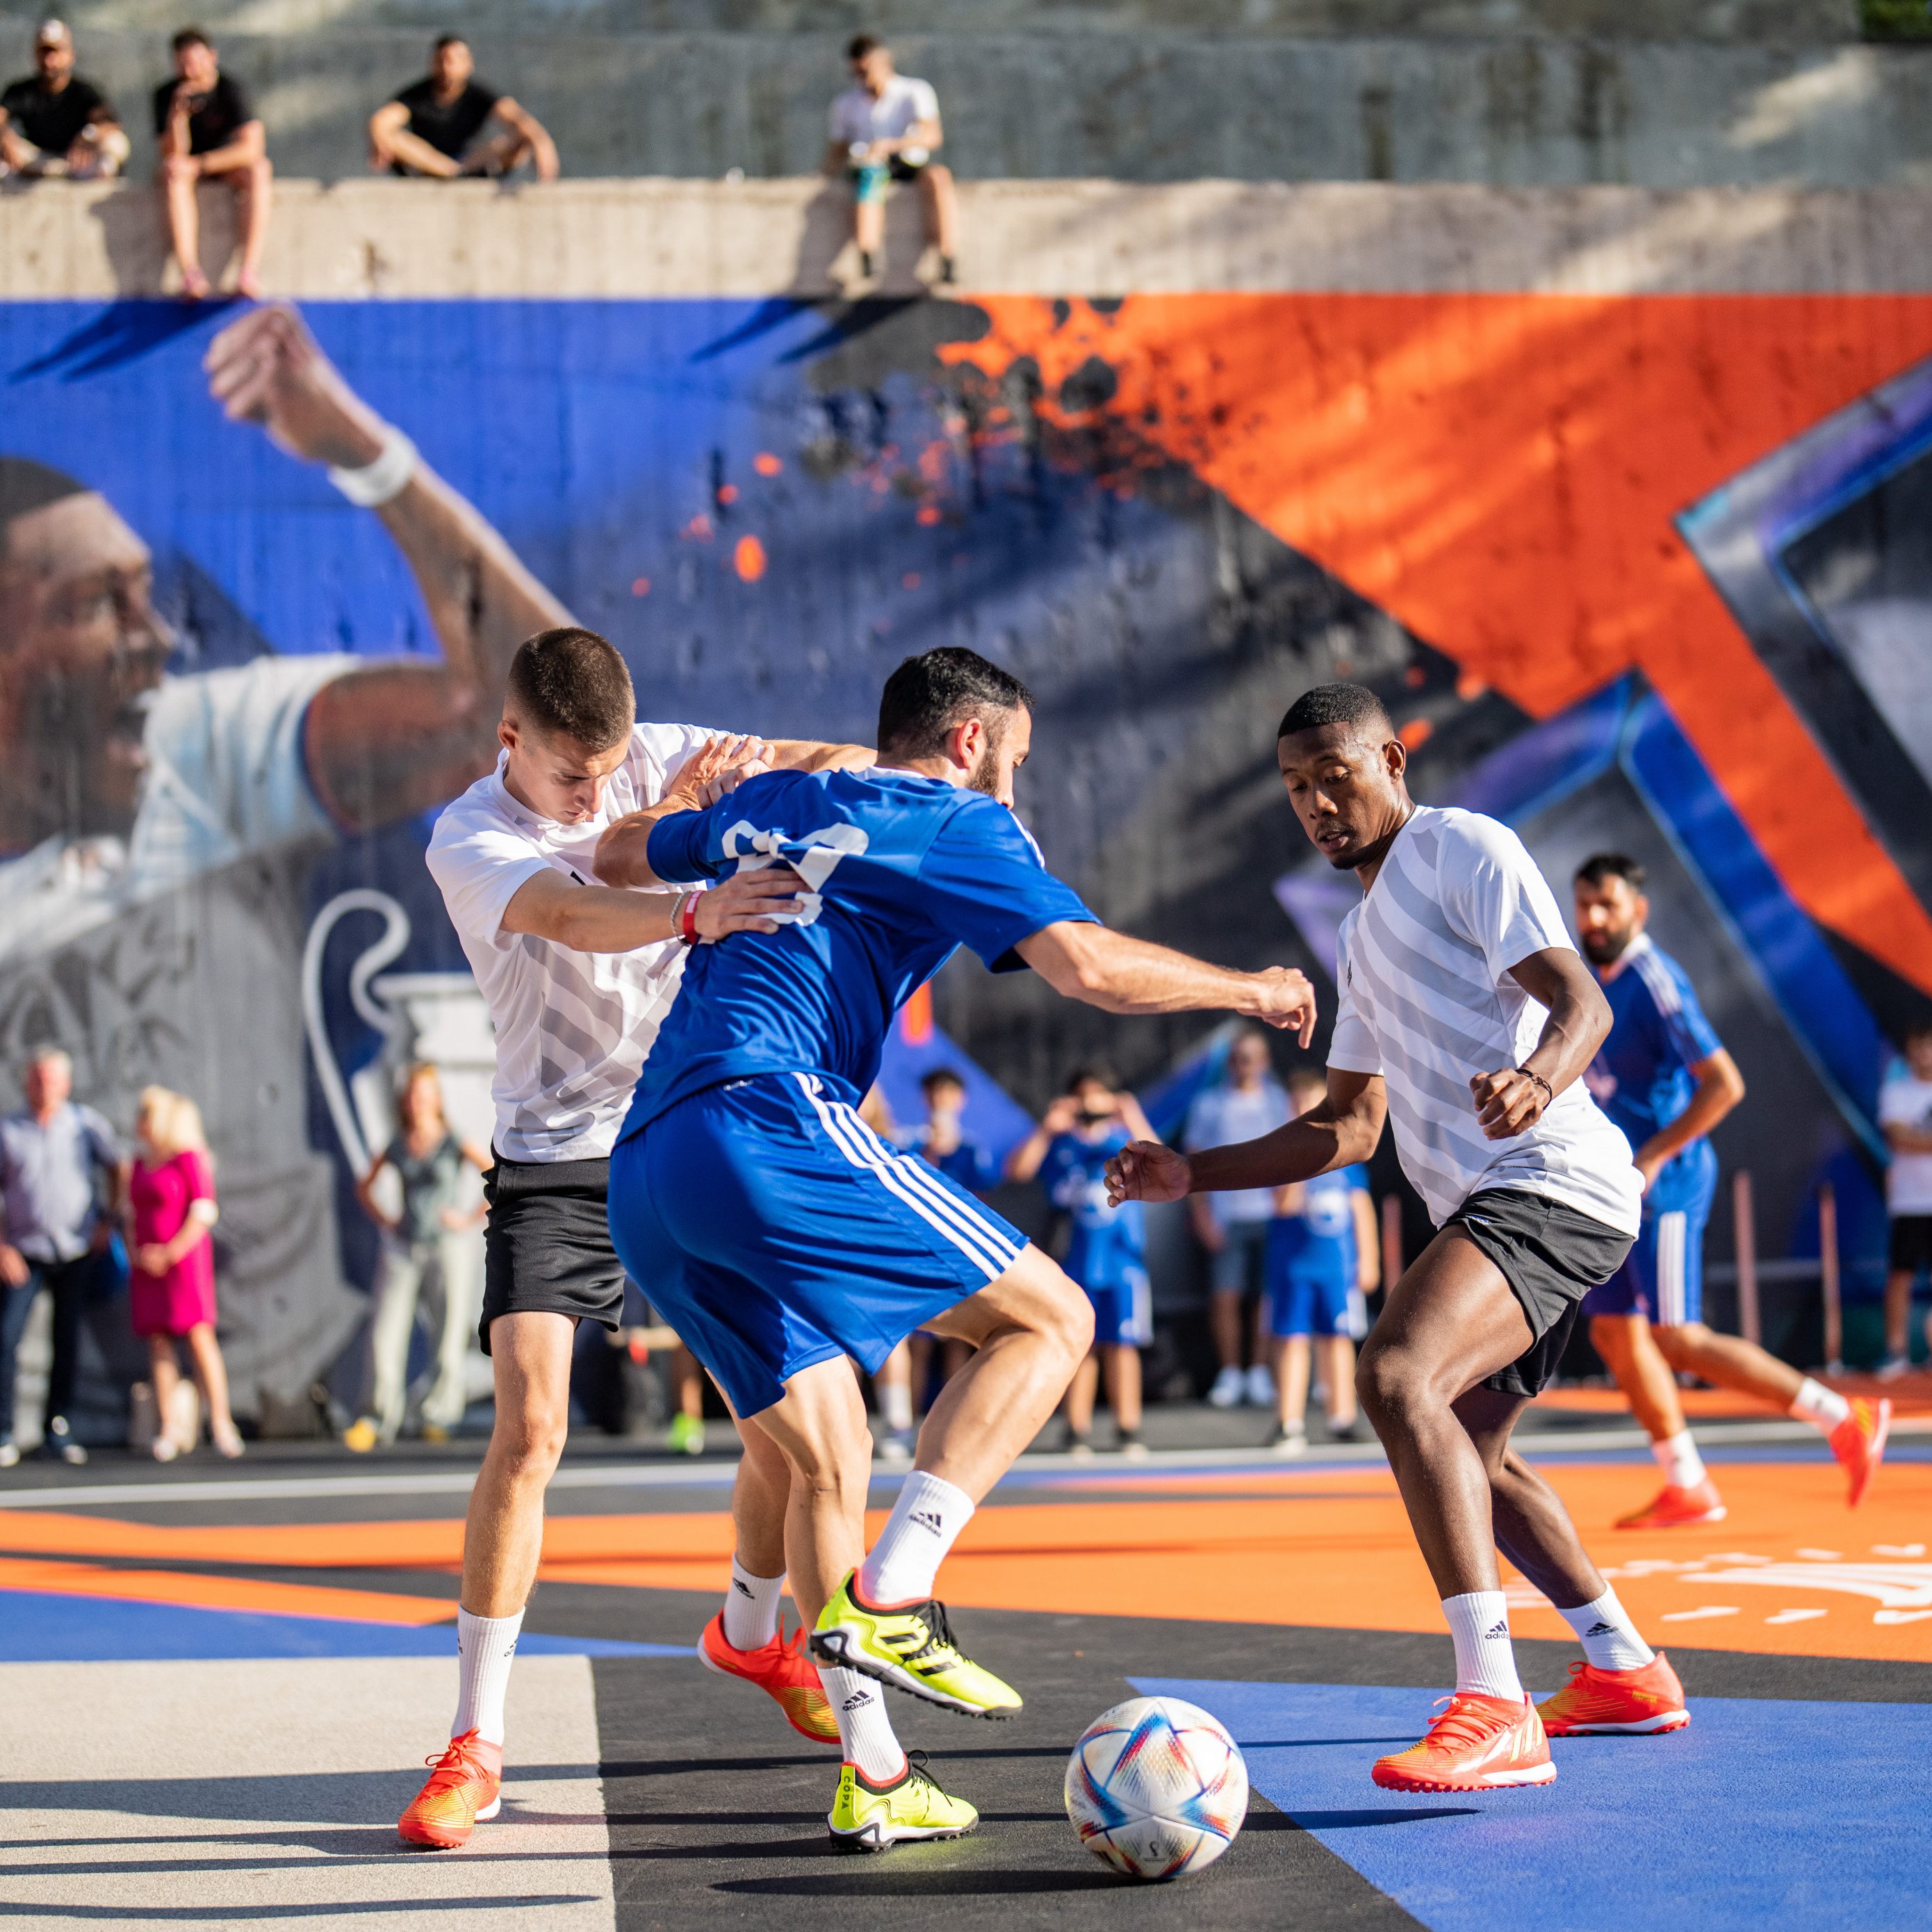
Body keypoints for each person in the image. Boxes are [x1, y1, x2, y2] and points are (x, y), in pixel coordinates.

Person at [600, 644, 1316, 1848]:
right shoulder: (951, 818)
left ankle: (850, 1746)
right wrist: (1251, 989)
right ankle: (895, 1589)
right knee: (1054, 1319)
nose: (1019, 792)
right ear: (971, 740)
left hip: (649, 1168)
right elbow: (1087, 969)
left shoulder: (778, 801)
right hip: (768, 1116)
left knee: (825, 1451)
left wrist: (687, 809)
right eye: (1018, 762)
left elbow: (616, 855)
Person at [1109, 682, 1685, 1793]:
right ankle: (1624, 1665)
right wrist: (1194, 1173)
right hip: (1498, 1200)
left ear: (1393, 762)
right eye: (1296, 789)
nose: (1319, 803)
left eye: (1338, 776)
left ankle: (1496, 1703)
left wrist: (1536, 1076)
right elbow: (1347, 1126)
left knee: (1394, 1372)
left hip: (1549, 1179)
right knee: (1474, 1457)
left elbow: (1583, 1003)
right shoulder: (1363, 935)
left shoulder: (1464, 848)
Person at [397, 625, 869, 1851]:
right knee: (532, 1426)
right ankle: (476, 1737)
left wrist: (927, 777)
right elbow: (569, 908)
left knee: (788, 1405)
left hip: (682, 1130)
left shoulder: (653, 756)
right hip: (554, 1162)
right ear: (510, 741)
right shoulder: (471, 836)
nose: (599, 795)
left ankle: (751, 1631)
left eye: (611, 768)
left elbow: (802, 760)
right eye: (571, 776)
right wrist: (701, 908)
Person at [1572, 853, 1889, 1525]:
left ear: (1638, 908)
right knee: (1613, 1335)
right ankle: (1686, 1482)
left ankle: (1844, 1417)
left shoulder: (1655, 980)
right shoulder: (1589, 981)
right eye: (1585, 905)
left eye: (1606, 904)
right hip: (1615, 1184)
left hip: (1668, 1182)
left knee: (1677, 1337)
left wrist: (1653, 1156)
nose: (1593, 918)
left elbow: (1726, 1085)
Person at [1006, 1066, 1158, 1457]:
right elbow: (1018, 1170)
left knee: (1122, 1344)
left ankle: (1128, 1427)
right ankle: (1077, 1427)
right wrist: (1047, 1128)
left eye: (1098, 1097)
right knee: (1080, 1345)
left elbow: (1162, 1163)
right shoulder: (1061, 1146)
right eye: (1083, 1097)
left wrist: (1129, 1115)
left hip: (1122, 1259)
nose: (1091, 1106)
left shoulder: (1123, 1142)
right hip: (1075, 1261)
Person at [343, 1063, 491, 1452]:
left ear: (437, 1100)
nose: (419, 1102)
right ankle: (376, 1416)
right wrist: (387, 1220)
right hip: (405, 1247)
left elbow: (492, 1173)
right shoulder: (398, 1143)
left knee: (448, 1332)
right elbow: (365, 1187)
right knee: (385, 1332)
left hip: (445, 1246)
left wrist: (466, 1218)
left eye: (425, 1095)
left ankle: (437, 1414)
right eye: (413, 1096)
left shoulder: (453, 1140)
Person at [0, 1048, 124, 1467]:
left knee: (66, 1340)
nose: (44, 1086)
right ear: (26, 1082)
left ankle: (58, 1426)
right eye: (37, 1078)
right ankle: (4, 1431)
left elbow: (118, 1167)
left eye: (51, 1079)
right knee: (6, 1338)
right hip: (25, 1252)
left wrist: (109, 1220)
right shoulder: (9, 1130)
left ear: (66, 1084)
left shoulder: (84, 1125)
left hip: (74, 1250)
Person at [1266, 1065, 1377, 1453]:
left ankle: (1342, 1417)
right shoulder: (1279, 1154)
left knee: (1337, 1339)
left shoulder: (1345, 1151)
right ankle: (1289, 1421)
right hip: (1294, 1265)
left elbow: (1360, 1206)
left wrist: (1369, 1260)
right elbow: (1282, 1204)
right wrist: (1297, 1160)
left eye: (1310, 1102)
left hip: (1336, 1266)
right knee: (1292, 1339)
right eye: (1297, 1104)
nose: (1303, 1109)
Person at [127, 1085, 239, 1462]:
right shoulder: (139, 1164)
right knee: (158, 1345)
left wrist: (171, 1253)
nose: (139, 1123)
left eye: (145, 1115)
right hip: (147, 1266)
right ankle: (170, 1428)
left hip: (184, 1266)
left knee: (198, 1338)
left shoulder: (188, 1159)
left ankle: (221, 1424)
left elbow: (203, 1212)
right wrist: (138, 1253)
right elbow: (130, 1214)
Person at [1184, 1027, 1293, 1409]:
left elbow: (1294, 1155)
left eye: (1252, 1056)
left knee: (1266, 1297)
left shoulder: (1279, 1102)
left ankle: (1258, 1372)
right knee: (1225, 1297)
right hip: (1225, 1217)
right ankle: (1230, 1373)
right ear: (1231, 1063)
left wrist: (1284, 1200)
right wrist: (1202, 1216)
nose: (1245, 1064)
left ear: (1264, 1062)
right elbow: (1192, 1163)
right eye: (1238, 1057)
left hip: (1270, 1217)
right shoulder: (1209, 1104)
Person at [824, 34, 957, 286]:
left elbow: (932, 136)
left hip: (908, 161)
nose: (864, 78)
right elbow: (837, 150)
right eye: (858, 73)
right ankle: (868, 255)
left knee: (939, 178)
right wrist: (825, 174)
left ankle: (947, 257)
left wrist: (892, 145)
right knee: (870, 177)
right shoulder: (845, 104)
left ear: (884, 62)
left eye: (867, 70)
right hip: (869, 166)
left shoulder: (914, 91)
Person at [153, 28, 270, 300]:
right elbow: (172, 155)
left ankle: (248, 271)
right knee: (173, 175)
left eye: (196, 62)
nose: (190, 71)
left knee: (260, 171)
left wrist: (200, 164)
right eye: (183, 64)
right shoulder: (167, 95)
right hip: (188, 171)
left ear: (212, 58)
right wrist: (177, 118)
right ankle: (189, 273)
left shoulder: (231, 90)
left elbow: (252, 148)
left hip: (220, 166)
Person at [906, 1067, 990, 1413]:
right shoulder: (912, 1145)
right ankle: (907, 1421)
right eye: (934, 1095)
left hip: (959, 1258)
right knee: (919, 1344)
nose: (941, 1101)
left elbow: (982, 1198)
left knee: (958, 1338)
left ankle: (953, 1414)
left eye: (947, 1094)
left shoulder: (970, 1150)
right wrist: (931, 1149)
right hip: (921, 1258)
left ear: (961, 1100)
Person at [369, 35, 558, 183]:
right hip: (426, 165)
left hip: (472, 163)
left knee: (519, 140)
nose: (446, 67)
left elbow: (518, 120)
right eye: (441, 60)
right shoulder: (417, 95)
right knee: (392, 138)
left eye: (453, 60)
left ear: (468, 64)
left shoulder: (479, 95)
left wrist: (542, 144)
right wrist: (379, 135)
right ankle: (449, 171)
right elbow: (383, 120)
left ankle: (456, 172)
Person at [0, 19, 128, 179]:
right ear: (35, 54)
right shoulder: (20, 92)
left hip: (75, 163)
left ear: (70, 55)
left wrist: (88, 137)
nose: (49, 60)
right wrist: (4, 137)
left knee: (117, 143)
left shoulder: (83, 92)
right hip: (33, 161)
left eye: (55, 52)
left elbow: (110, 124)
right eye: (44, 52)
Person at [1878, 1022, 1932, 1379]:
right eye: (1918, 1045)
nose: (1925, 1053)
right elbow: (1897, 1137)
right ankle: (1895, 1352)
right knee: (1901, 1276)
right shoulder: (1895, 1092)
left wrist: (1916, 1139)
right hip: (1909, 1203)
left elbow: (1907, 1136)